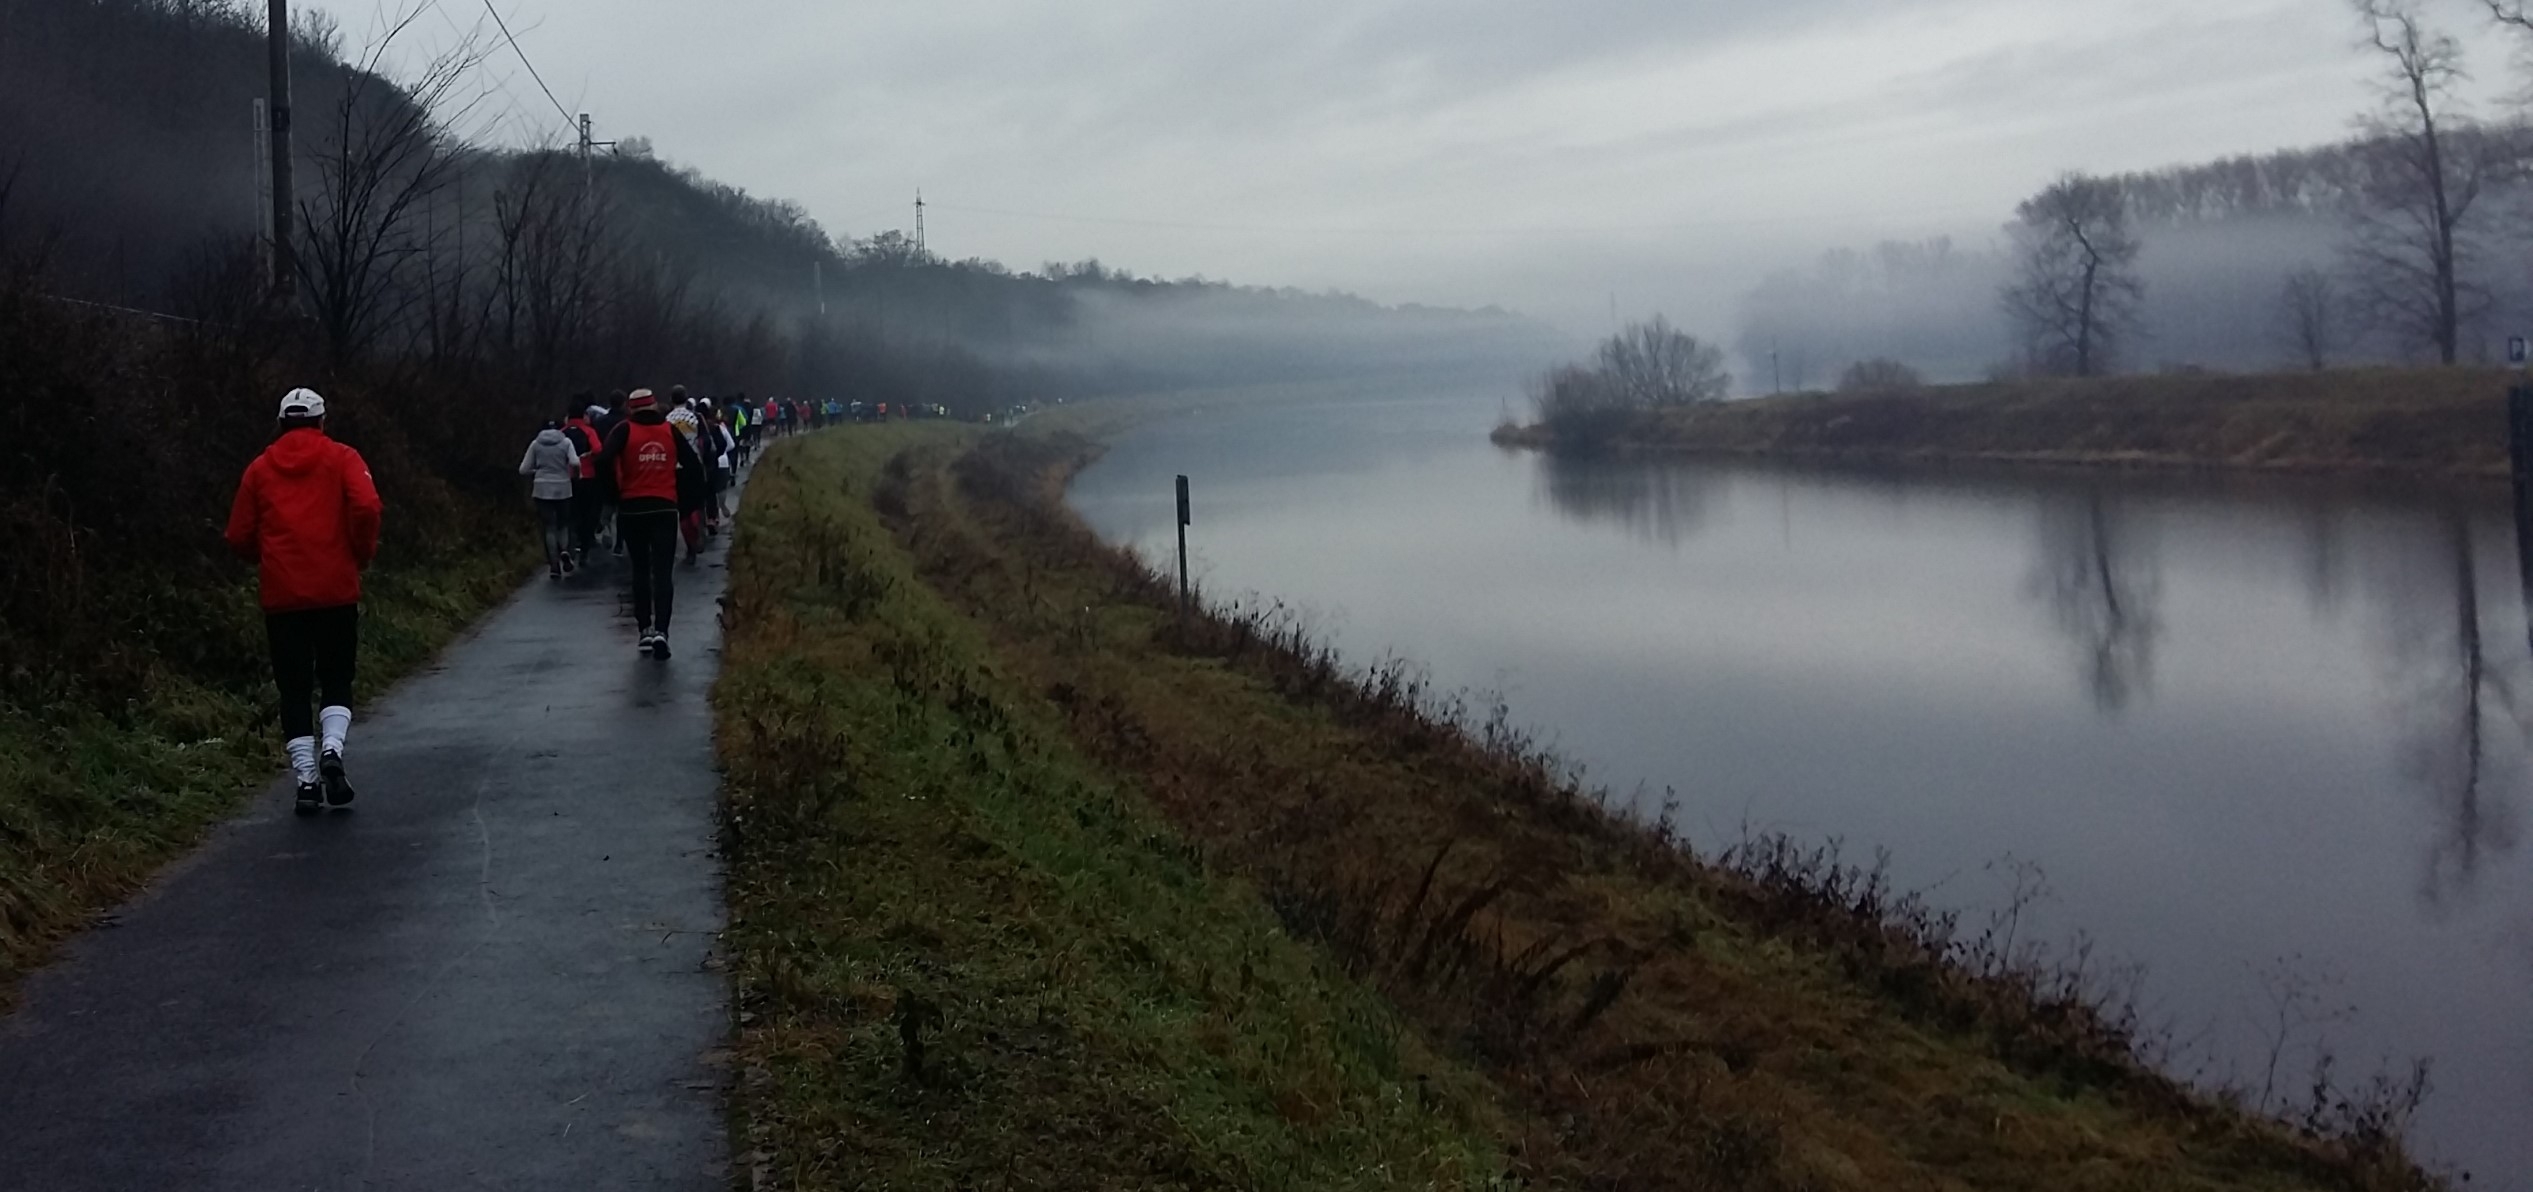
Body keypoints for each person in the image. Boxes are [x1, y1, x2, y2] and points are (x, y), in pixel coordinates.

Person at [224, 388, 383, 817]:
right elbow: (367, 505)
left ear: (280, 424)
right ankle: (333, 748)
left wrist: (266, 557)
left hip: (283, 595)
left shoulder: (259, 469)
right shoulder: (343, 458)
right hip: (335, 588)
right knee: (336, 677)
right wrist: (360, 552)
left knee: (293, 688)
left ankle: (307, 781)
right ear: (321, 422)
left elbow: (238, 534)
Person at [598, 389, 704, 658]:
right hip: (665, 507)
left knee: (641, 570)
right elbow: (693, 465)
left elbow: (602, 460)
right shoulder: (670, 431)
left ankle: (644, 629)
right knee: (663, 571)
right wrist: (684, 499)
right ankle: (662, 631)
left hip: (632, 508)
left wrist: (614, 493)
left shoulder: (623, 431)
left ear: (631, 409)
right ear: (655, 406)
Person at [519, 418, 581, 580]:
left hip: (542, 487)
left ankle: (554, 564)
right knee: (563, 524)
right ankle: (565, 550)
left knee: (549, 527)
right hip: (563, 487)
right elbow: (575, 461)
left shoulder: (535, 444)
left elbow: (523, 469)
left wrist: (538, 471)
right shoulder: (566, 442)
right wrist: (574, 474)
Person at [562, 400, 605, 564]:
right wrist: (588, 456)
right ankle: (585, 548)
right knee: (587, 512)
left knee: (572, 513)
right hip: (587, 476)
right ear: (584, 415)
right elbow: (598, 449)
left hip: (567, 477)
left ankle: (572, 544)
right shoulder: (588, 431)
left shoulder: (562, 431)